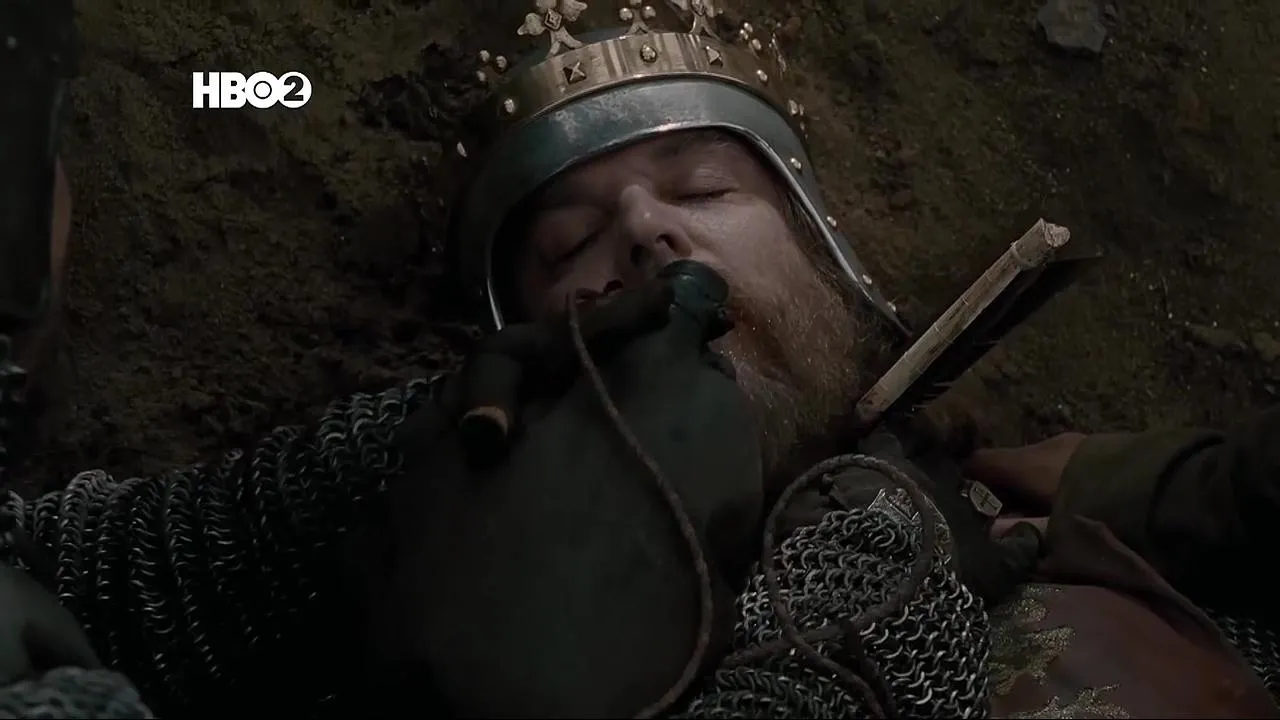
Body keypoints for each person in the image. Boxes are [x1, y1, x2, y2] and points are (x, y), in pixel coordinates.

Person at [1, 0, 1278, 717]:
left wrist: (1182, 494)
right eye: (567, 245)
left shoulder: (1097, 545)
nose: (647, 234)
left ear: (826, 251)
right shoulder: (447, 562)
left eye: (704, 188)